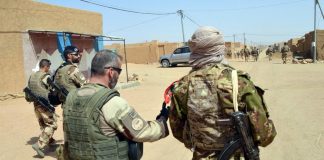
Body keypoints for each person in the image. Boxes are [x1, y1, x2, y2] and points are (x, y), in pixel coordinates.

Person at [167, 26, 276, 160]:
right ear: (220, 48)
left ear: (194, 49)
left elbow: (177, 131)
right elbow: (264, 135)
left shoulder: (182, 87)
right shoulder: (239, 82)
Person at [60, 50, 169, 159]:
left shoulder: (71, 97)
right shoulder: (111, 101)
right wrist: (161, 121)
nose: (118, 76)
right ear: (111, 72)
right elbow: (142, 132)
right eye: (119, 71)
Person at [25, 59, 57, 158]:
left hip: (36, 105)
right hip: (44, 105)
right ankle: (39, 145)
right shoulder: (45, 77)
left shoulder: (32, 76)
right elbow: (53, 90)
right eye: (49, 67)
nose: (49, 69)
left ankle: (50, 141)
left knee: (43, 124)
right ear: (46, 66)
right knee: (52, 125)